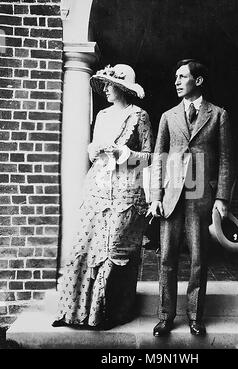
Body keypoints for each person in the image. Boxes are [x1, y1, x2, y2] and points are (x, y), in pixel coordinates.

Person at [52, 64, 153, 330]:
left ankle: (106, 314)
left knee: (113, 248)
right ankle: (73, 313)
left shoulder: (139, 116)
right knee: (85, 244)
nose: (106, 89)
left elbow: (150, 157)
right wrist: (95, 149)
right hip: (97, 186)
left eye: (110, 84)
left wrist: (126, 154)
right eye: (105, 84)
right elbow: (94, 152)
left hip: (125, 190)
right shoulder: (102, 115)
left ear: (122, 88)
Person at [148, 59, 232, 337]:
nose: (176, 81)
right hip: (171, 196)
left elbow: (225, 159)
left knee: (199, 258)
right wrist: (155, 195)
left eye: (182, 76)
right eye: (175, 76)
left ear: (198, 81)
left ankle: (195, 316)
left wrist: (221, 198)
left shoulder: (218, 114)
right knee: (167, 258)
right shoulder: (168, 116)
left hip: (201, 196)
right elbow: (159, 159)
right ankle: (165, 317)